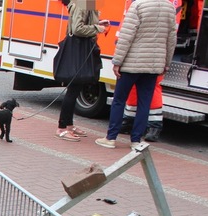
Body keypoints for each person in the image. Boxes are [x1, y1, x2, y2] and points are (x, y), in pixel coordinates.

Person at [95, 0, 176, 150]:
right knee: (144, 103)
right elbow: (171, 39)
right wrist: (166, 63)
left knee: (119, 100)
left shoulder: (138, 5)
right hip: (153, 65)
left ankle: (111, 138)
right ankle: (136, 140)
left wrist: (117, 61)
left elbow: (126, 37)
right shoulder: (169, 7)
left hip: (131, 64)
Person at [118, 0, 182, 142]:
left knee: (152, 88)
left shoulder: (164, 4)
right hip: (145, 51)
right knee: (137, 88)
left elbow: (169, 33)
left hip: (146, 51)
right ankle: (130, 120)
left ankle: (153, 124)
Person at [55, 0, 109, 142]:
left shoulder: (87, 2)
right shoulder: (82, 3)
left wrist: (98, 24)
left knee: (75, 89)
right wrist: (98, 28)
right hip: (79, 50)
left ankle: (69, 125)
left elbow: (83, 22)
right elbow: (77, 29)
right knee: (73, 90)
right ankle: (62, 128)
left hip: (81, 49)